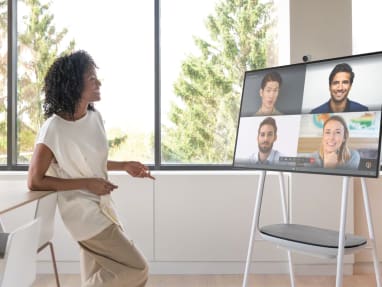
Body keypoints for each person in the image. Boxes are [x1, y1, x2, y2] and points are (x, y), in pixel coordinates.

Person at [27, 50, 153, 287]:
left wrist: (124, 165)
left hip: (104, 207)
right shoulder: (53, 128)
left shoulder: (95, 118)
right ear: (74, 84)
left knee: (103, 274)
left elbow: (89, 161)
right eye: (92, 78)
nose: (99, 83)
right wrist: (86, 184)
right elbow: (34, 180)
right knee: (138, 268)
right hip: (82, 214)